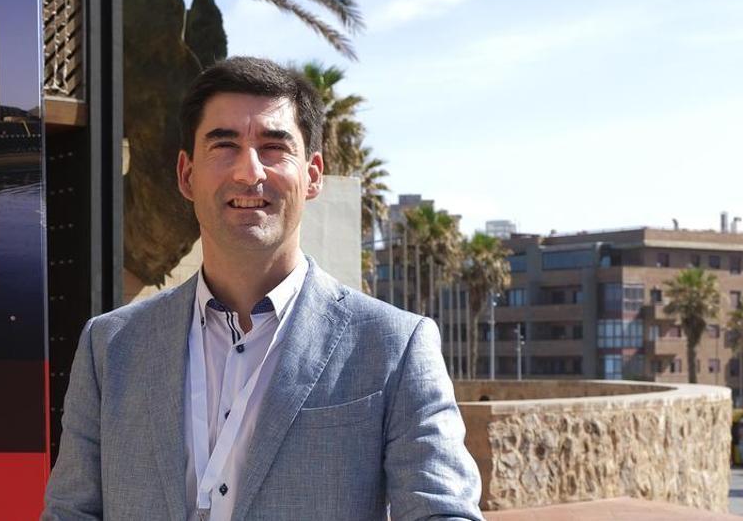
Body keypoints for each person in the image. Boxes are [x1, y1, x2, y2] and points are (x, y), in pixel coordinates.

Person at [42, 56, 482, 520]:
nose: (248, 172)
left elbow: (442, 511)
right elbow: (71, 512)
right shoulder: (110, 347)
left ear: (312, 175)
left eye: (273, 147)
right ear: (186, 175)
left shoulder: (393, 345)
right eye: (224, 145)